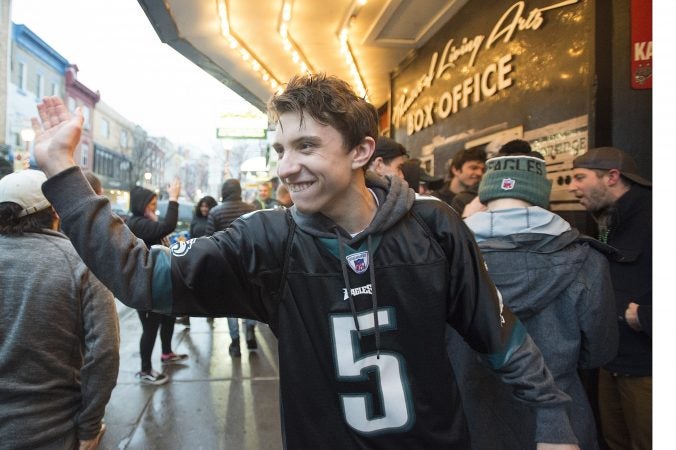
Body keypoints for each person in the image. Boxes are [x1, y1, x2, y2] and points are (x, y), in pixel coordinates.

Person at [33, 76, 579, 449]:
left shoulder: (434, 225)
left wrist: (553, 416)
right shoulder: (265, 239)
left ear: (361, 151)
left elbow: (498, 334)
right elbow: (142, 276)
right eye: (279, 150)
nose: (287, 168)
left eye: (307, 147)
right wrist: (62, 171)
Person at [458, 154, 619, 450]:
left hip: (473, 417)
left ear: (487, 193)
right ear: (540, 194)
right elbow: (600, 352)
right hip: (559, 423)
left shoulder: (445, 259)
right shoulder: (586, 259)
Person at [0, 169, 120, 449]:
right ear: (55, 211)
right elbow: (104, 351)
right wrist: (90, 426)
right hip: (53, 431)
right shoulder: (81, 263)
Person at [570, 147, 652, 450]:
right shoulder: (610, 221)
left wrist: (646, 316)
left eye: (580, 177)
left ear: (612, 177)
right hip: (612, 361)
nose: (571, 187)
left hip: (649, 368)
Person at [127, 182, 188, 385]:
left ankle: (167, 353)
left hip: (159, 284)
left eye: (155, 204)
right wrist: (173, 198)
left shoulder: (146, 220)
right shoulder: (136, 222)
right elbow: (167, 226)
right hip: (146, 287)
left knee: (168, 319)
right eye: (151, 204)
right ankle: (145, 370)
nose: (154, 208)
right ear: (140, 204)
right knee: (150, 327)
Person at [204, 179, 258, 356]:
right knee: (251, 300)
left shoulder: (215, 212)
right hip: (250, 263)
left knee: (232, 304)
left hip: (227, 265)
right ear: (239, 191)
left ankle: (235, 343)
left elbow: (209, 240)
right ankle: (250, 331)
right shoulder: (251, 210)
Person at [176, 195, 219, 327]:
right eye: (202, 206)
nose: (204, 208)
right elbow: (191, 235)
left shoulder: (213, 219)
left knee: (209, 288)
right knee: (189, 287)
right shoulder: (196, 219)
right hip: (194, 256)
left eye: (207, 206)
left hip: (209, 256)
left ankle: (211, 315)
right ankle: (186, 317)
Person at [435, 146, 487, 213]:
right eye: (474, 168)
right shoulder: (436, 200)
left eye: (483, 170)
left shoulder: (480, 197)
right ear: (456, 170)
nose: (480, 173)